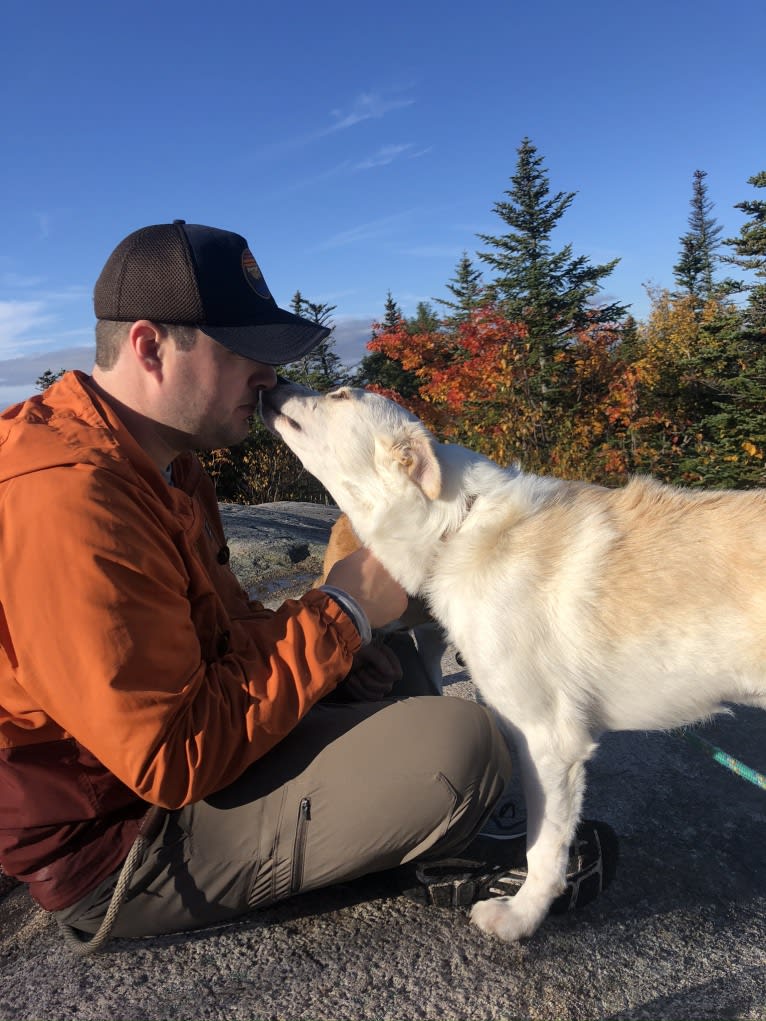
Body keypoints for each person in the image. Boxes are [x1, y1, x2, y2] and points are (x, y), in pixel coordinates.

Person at [0, 221, 615, 951]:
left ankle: (425, 820)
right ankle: (463, 855)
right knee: (465, 746)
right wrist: (343, 611)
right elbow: (169, 756)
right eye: (245, 350)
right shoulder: (69, 503)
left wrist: (340, 654)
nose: (270, 375)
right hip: (126, 841)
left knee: (400, 656)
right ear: (149, 346)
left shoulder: (163, 462)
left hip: (185, 772)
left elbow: (220, 639)